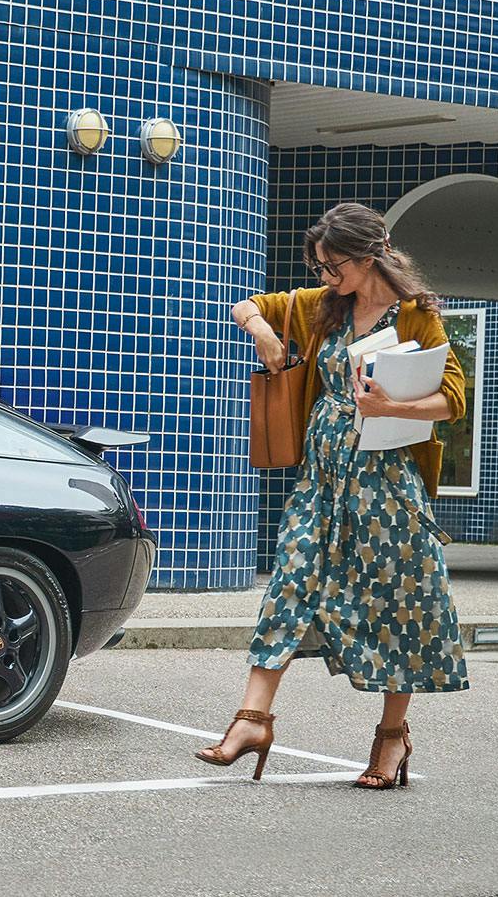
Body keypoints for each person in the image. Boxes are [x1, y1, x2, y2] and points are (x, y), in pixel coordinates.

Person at [199, 202, 470, 790]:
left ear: (369, 256)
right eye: (319, 266)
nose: (326, 276)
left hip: (387, 488)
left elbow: (453, 399)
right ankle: (251, 720)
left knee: (399, 604)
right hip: (321, 483)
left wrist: (389, 406)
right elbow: (245, 304)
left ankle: (391, 738)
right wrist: (266, 335)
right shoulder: (320, 305)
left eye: (334, 265)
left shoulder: (416, 316)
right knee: (288, 584)